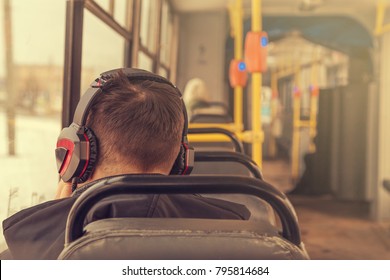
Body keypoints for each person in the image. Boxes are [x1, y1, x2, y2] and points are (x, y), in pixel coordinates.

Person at [1, 68, 250, 260]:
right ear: (182, 159)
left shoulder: (26, 253)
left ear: (75, 157)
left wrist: (54, 221)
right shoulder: (242, 240)